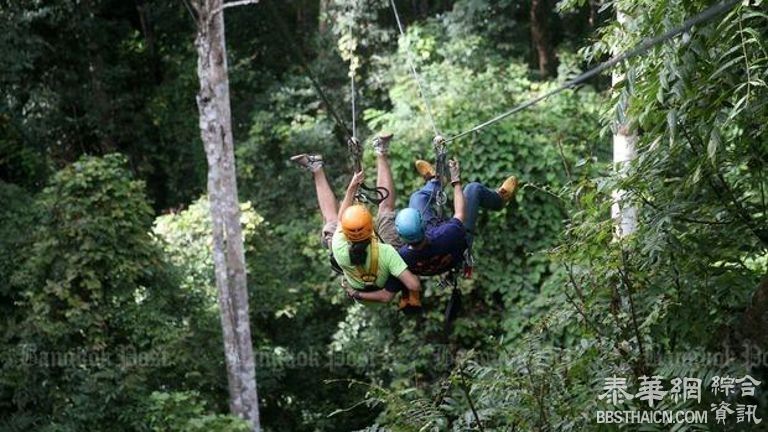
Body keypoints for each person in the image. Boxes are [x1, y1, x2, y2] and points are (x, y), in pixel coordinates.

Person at [290, 134, 422, 309]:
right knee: (385, 210)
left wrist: (352, 187)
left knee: (331, 222)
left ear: (346, 233)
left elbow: (339, 218)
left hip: (368, 275)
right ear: (371, 229)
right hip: (377, 271)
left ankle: (317, 167)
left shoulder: (340, 247)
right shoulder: (383, 252)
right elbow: (413, 285)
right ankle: (380, 151)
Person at [394, 153, 519, 277]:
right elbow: (460, 213)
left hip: (430, 246)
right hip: (457, 241)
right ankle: (499, 200)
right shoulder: (448, 234)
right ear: (422, 224)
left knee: (417, 198)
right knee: (473, 189)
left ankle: (436, 181)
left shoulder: (403, 257)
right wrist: (456, 180)